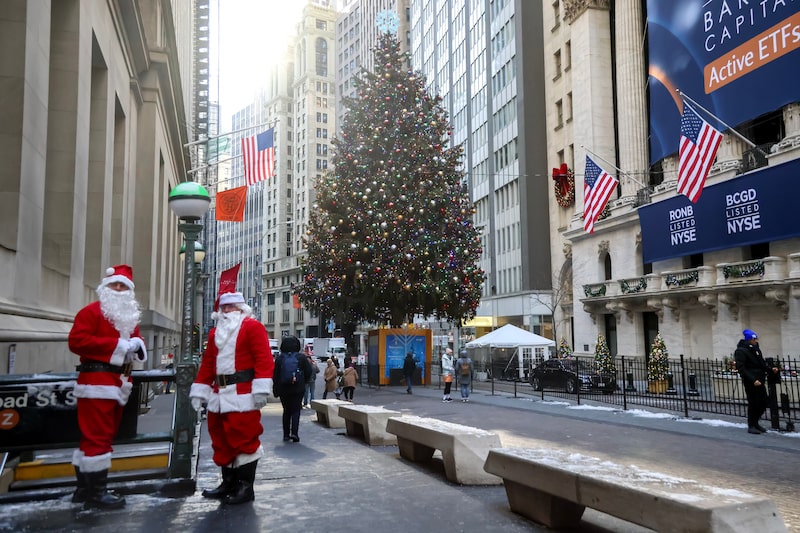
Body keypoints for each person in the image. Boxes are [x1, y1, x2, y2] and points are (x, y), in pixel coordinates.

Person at [68, 264, 148, 509]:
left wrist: (137, 343)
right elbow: (77, 341)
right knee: (98, 437)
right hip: (97, 382)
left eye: (123, 286)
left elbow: (136, 341)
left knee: (101, 436)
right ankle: (96, 493)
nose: (119, 289)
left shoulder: (129, 316)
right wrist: (120, 346)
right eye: (115, 284)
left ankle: (85, 489)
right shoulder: (90, 312)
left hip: (118, 383)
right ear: (105, 287)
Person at [190, 291, 274, 505]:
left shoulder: (253, 327)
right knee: (221, 438)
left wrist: (261, 389)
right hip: (219, 394)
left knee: (244, 438)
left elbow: (263, 359)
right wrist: (200, 389)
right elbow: (208, 364)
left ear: (241, 308)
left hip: (243, 393)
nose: (227, 311)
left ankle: (245, 488)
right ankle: (228, 483)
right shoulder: (214, 333)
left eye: (231, 307)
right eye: (224, 308)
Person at [734, 329, 779, 434]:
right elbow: (741, 368)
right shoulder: (741, 351)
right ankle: (751, 425)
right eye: (754, 339)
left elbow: (761, 363)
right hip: (751, 381)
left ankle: (755, 422)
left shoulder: (756, 349)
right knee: (753, 403)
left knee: (763, 402)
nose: (756, 341)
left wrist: (770, 369)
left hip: (760, 379)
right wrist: (753, 379)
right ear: (749, 339)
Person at [273, 335, 312, 442]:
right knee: (296, 411)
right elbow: (309, 371)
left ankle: (286, 434)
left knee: (286, 411)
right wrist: (303, 381)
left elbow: (275, 375)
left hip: (283, 389)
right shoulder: (301, 358)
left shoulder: (280, 359)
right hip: (297, 389)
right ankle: (294, 433)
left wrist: (276, 388)